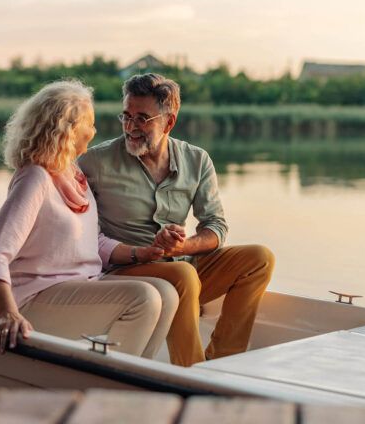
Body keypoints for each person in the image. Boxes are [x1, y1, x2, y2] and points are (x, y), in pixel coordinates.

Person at [78, 73, 275, 367]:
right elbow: (80, 233)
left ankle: (222, 363)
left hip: (183, 267)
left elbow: (216, 227)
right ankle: (192, 373)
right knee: (182, 276)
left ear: (169, 122)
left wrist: (181, 248)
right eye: (126, 116)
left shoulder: (197, 160)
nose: (131, 127)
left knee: (259, 258)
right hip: (125, 273)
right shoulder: (93, 162)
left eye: (143, 118)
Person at [0, 79, 177, 357]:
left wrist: (142, 253)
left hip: (83, 284)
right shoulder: (35, 178)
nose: (95, 131)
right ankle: (111, 385)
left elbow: (91, 241)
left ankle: (134, 380)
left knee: (166, 293)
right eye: (90, 123)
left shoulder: (74, 175)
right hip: (37, 298)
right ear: (68, 128)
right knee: (143, 298)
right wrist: (6, 313)